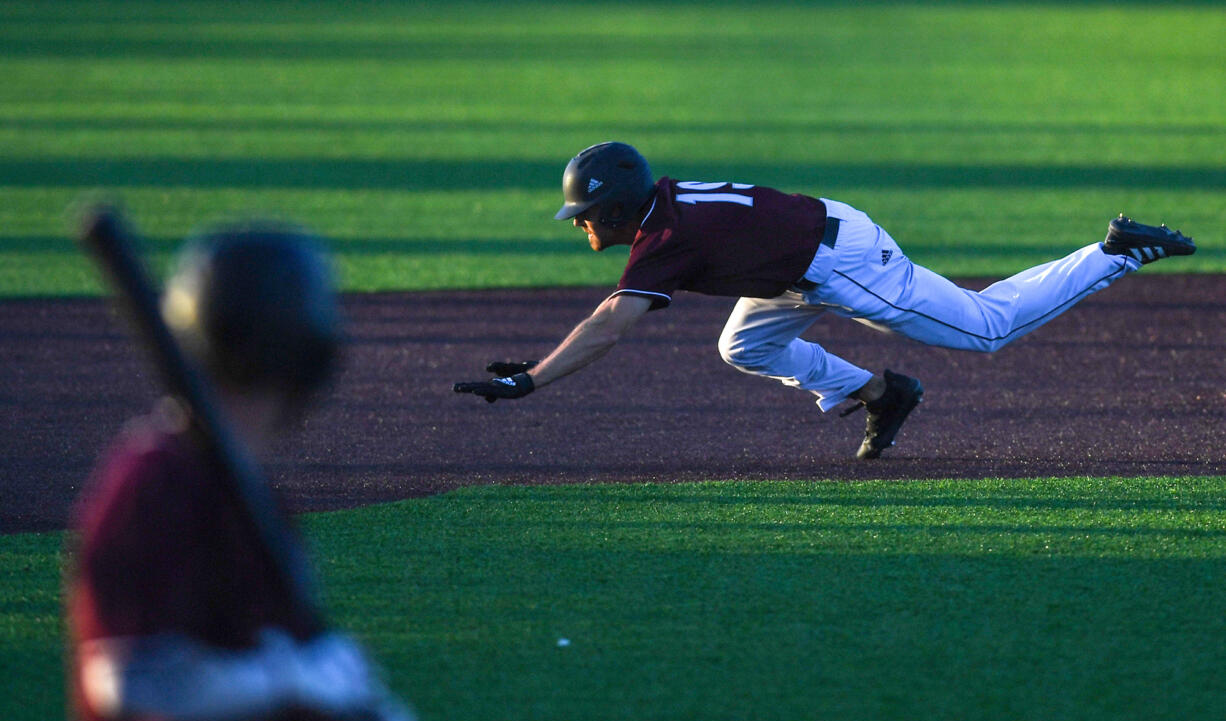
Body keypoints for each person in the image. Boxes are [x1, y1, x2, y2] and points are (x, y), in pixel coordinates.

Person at [454, 141, 1196, 458]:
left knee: (985, 329)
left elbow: (610, 324)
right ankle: (883, 393)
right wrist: (546, 365)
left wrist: (534, 378)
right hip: (800, 262)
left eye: (583, 213)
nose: (578, 223)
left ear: (616, 209)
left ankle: (1115, 252)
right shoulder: (660, 214)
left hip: (842, 260)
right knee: (743, 345)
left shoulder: (664, 237)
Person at [66, 224, 429, 721]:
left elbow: (263, 654)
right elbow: (132, 679)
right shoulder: (157, 479)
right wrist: (286, 680)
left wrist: (349, 713)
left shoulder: (244, 490)